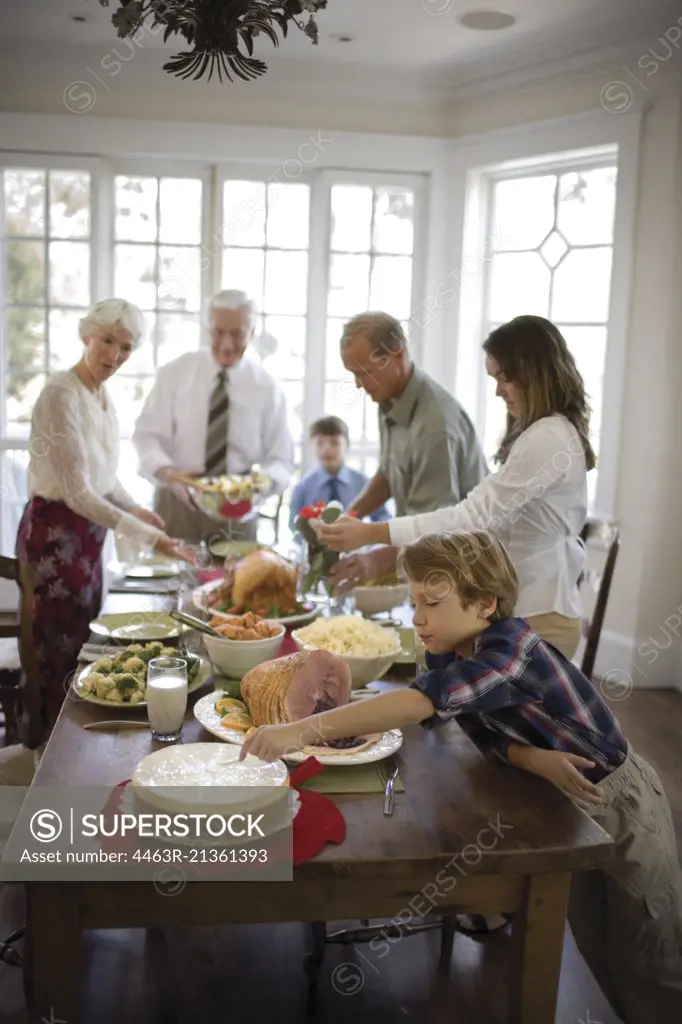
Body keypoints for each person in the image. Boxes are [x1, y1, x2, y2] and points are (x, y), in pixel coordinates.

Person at [242, 531, 682, 1024]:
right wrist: (532, 758)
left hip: (623, 804)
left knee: (653, 960)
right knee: (601, 949)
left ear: (485, 604)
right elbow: (482, 734)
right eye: (413, 602)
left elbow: (417, 704)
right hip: (569, 798)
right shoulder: (449, 654)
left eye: (432, 602)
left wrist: (299, 731)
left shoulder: (512, 651)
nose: (417, 617)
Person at [320, 315, 592, 659]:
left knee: (434, 690)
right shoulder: (542, 433)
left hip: (540, 612)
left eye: (503, 377)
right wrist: (353, 521)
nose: (497, 390)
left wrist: (372, 534)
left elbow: (471, 517)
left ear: (531, 372)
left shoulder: (548, 437)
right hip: (521, 606)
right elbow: (394, 475)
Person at [16, 298, 194, 740]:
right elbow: (77, 492)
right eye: (107, 341)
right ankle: (51, 754)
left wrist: (136, 509)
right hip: (56, 535)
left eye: (126, 348)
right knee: (60, 651)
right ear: (86, 335)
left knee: (84, 644)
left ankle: (80, 747)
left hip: (87, 534)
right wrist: (149, 536)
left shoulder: (100, 395)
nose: (114, 355)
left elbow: (103, 477)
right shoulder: (61, 393)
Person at [132, 289, 294, 544]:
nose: (227, 344)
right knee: (172, 582)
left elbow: (281, 460)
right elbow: (146, 437)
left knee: (236, 583)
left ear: (251, 332)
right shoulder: (174, 374)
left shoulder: (267, 388)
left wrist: (262, 485)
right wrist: (166, 472)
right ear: (208, 329)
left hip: (237, 509)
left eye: (238, 334)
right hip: (176, 503)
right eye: (219, 332)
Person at [337, 312, 487, 521]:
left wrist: (363, 549)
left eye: (364, 372)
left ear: (398, 356)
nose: (358, 385)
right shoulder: (387, 396)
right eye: (353, 374)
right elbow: (390, 473)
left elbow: (429, 531)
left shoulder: (435, 427)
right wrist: (348, 517)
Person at [288, 415, 390, 531]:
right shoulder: (304, 485)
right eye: (320, 443)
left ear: (347, 445)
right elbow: (294, 525)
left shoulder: (362, 482)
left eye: (334, 443)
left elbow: (383, 517)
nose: (326, 449)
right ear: (311, 446)